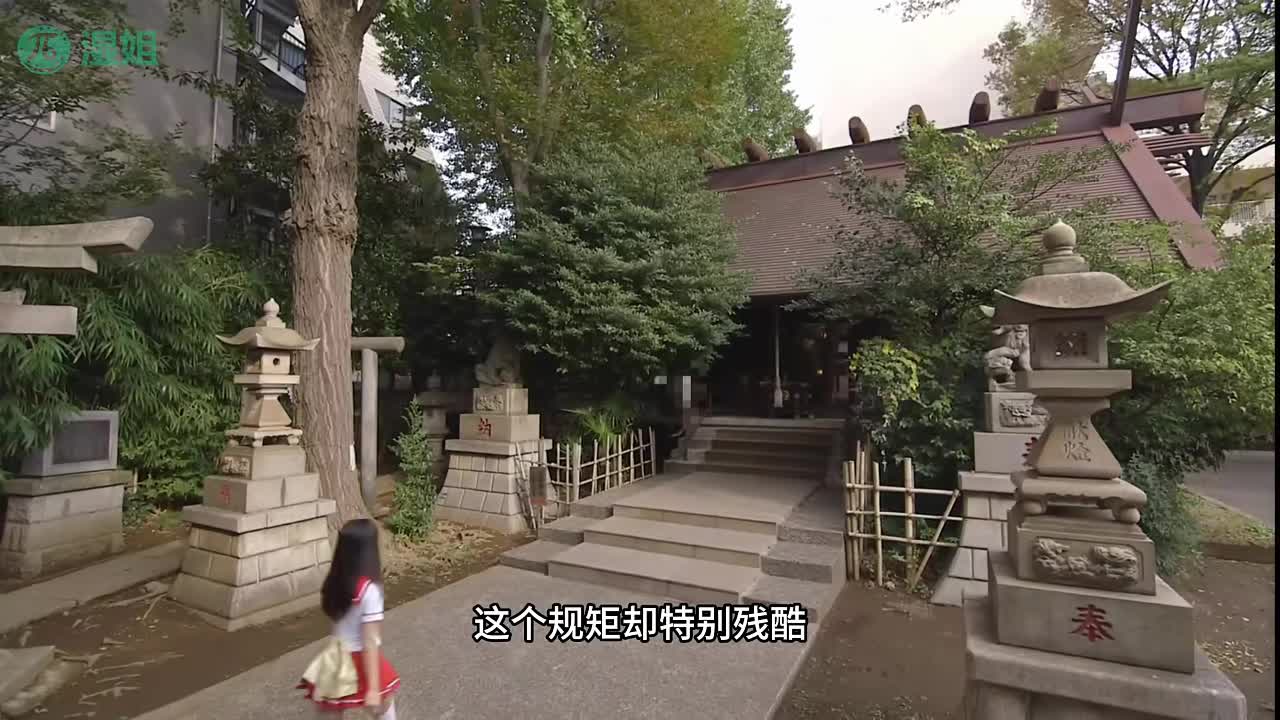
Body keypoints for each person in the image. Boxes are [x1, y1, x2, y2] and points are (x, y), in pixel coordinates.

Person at [299, 519, 400, 718]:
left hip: (335, 656)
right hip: (359, 658)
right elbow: (369, 641)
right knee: (385, 703)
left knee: (330, 711)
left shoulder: (335, 582)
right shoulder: (370, 590)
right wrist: (373, 688)